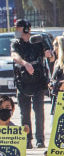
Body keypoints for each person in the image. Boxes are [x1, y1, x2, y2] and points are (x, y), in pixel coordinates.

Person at [10, 19, 52, 148]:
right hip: (23, 82)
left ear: (27, 29)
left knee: (39, 111)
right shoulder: (16, 43)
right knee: (24, 112)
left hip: (38, 82)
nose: (17, 31)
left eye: (19, 28)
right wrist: (25, 63)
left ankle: (40, 140)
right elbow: (14, 55)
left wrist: (49, 54)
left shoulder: (38, 42)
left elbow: (50, 56)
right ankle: (27, 140)